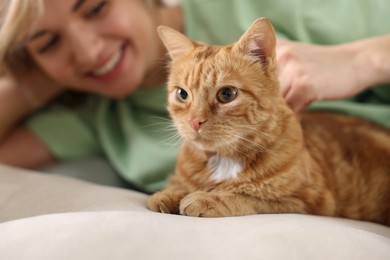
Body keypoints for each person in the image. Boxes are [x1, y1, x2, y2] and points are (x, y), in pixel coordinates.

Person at [0, 0, 389, 193]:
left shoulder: (253, 9)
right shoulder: (94, 110)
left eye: (96, 7)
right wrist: (32, 78)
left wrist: (364, 59)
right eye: (48, 42)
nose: (88, 51)